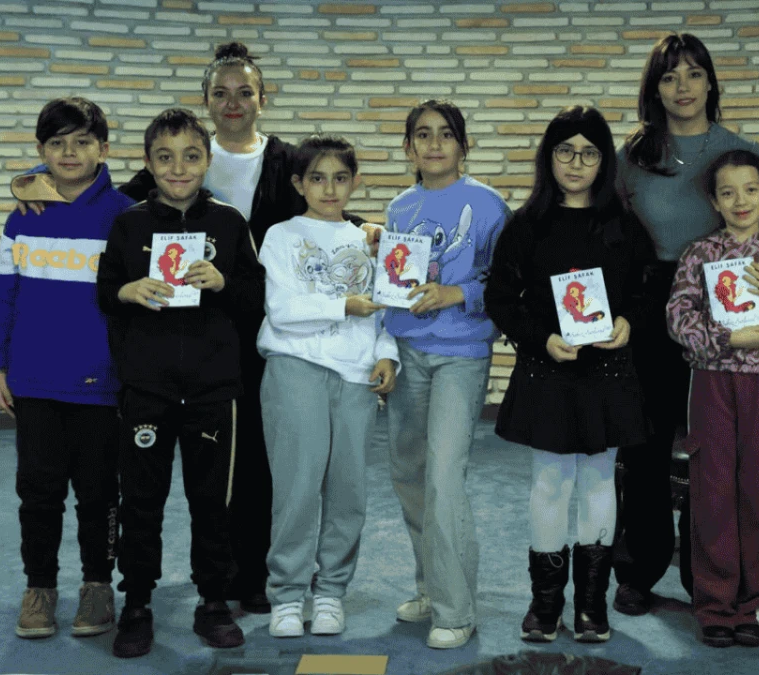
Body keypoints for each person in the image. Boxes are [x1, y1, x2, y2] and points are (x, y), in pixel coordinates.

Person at [614, 32, 759, 612]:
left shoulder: (737, 146)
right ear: (654, 88)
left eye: (694, 73)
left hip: (730, 301)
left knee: (713, 450)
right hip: (658, 300)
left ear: (711, 81)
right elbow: (614, 235)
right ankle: (640, 566)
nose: (683, 87)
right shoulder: (634, 155)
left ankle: (709, 579)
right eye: (669, 76)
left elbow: (756, 224)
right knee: (648, 443)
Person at [96, 108, 265, 658]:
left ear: (207, 160)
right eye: (164, 157)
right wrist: (128, 291)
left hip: (215, 388)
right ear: (147, 163)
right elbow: (105, 292)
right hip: (147, 387)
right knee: (142, 499)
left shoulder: (229, 223)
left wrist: (222, 281)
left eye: (191, 156)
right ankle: (138, 602)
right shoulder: (128, 224)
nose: (178, 168)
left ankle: (213, 600)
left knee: (211, 501)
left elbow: (256, 300)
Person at [485, 106, 654, 644]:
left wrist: (628, 324)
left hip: (607, 371)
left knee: (601, 480)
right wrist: (541, 339)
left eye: (588, 152)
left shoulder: (624, 226)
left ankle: (591, 605)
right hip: (547, 371)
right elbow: (499, 297)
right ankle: (545, 604)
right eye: (565, 151)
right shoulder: (525, 225)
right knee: (549, 482)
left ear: (604, 161)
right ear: (549, 157)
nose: (576, 163)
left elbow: (649, 293)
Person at [0, 97, 135, 640]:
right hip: (32, 380)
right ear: (40, 151)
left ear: (103, 147)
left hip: (101, 383)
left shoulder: (124, 213)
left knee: (99, 493)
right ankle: (40, 587)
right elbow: (2, 295)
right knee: (39, 492)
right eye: (56, 143)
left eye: (81, 141)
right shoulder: (22, 213)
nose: (69, 153)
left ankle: (97, 586)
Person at [666, 149, 759, 648]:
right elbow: (678, 319)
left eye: (751, 189)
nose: (740, 200)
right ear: (714, 200)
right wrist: (729, 339)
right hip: (709, 382)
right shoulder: (699, 254)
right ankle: (714, 604)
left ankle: (753, 606)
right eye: (728, 192)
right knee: (711, 490)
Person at [257, 135, 399, 638]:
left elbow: (388, 309)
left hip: (357, 377)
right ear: (299, 184)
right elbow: (282, 310)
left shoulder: (371, 239)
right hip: (296, 370)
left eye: (341, 177)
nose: (330, 188)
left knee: (348, 491)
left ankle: (332, 590)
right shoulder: (280, 235)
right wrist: (343, 306)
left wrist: (388, 355)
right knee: (296, 490)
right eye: (317, 178)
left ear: (355, 181)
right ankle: (288, 595)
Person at [383, 100, 511, 650]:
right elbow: (390, 287)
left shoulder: (488, 205)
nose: (434, 144)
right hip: (408, 352)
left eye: (446, 135)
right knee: (410, 477)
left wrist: (458, 293)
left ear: (464, 145)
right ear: (408, 147)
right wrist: (385, 346)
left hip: (461, 353)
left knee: (443, 479)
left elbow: (507, 283)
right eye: (422, 135)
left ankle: (458, 610)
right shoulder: (398, 208)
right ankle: (431, 589)